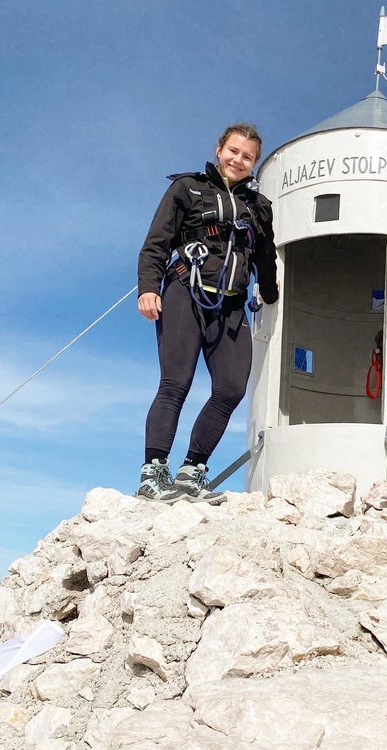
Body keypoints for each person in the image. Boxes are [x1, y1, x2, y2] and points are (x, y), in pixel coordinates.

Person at [135, 123, 278, 503]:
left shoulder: (259, 207)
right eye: (233, 151)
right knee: (175, 383)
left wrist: (271, 291)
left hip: (231, 305)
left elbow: (266, 258)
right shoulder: (187, 188)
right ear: (219, 150)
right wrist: (149, 288)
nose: (238, 160)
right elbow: (156, 243)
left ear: (254, 163)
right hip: (186, 292)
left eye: (247, 156)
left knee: (231, 387)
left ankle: (191, 472)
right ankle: (153, 473)